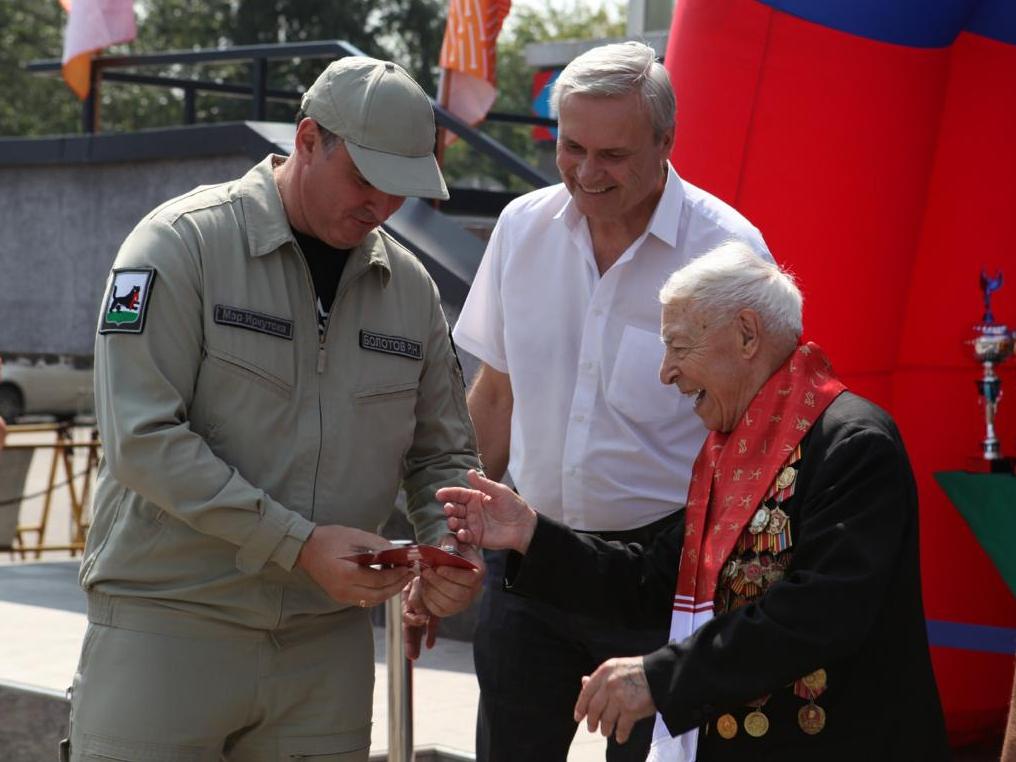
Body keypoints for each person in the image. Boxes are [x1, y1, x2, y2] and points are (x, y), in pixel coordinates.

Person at [65, 56, 483, 762]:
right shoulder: (179, 245)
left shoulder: (409, 290)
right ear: (308, 139)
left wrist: (452, 550)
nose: (382, 205)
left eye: (401, 190)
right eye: (365, 179)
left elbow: (442, 456)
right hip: (171, 624)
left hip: (326, 646)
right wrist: (297, 544)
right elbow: (142, 440)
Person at [440, 243, 950, 761]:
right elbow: (656, 578)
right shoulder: (735, 448)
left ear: (747, 335)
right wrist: (529, 532)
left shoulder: (852, 442)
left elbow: (821, 612)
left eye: (678, 347)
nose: (666, 372)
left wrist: (660, 676)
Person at [448, 40, 769, 761]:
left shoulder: (727, 255)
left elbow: (757, 443)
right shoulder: (521, 228)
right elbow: (496, 397)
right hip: (526, 565)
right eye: (572, 148)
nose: (587, 174)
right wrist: (448, 536)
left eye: (613, 155)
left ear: (666, 144)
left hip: (662, 580)